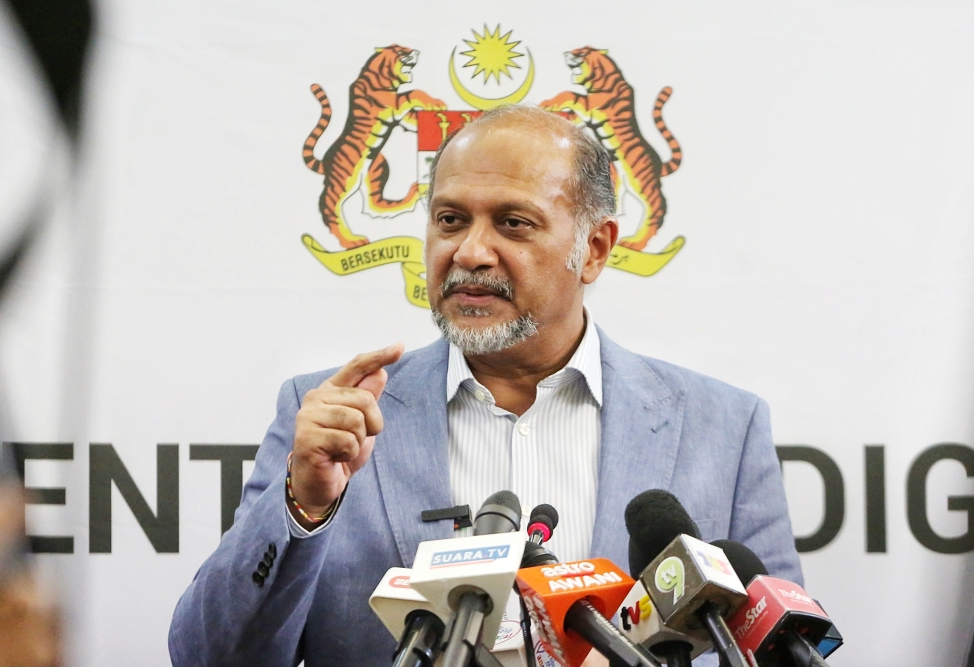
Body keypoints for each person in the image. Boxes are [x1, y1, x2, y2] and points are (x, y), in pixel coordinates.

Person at [169, 106, 802, 666]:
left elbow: (777, 649)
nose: (470, 251)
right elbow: (210, 657)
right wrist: (303, 506)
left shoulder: (724, 428)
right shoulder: (335, 420)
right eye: (450, 219)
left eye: (513, 223)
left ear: (596, 248)